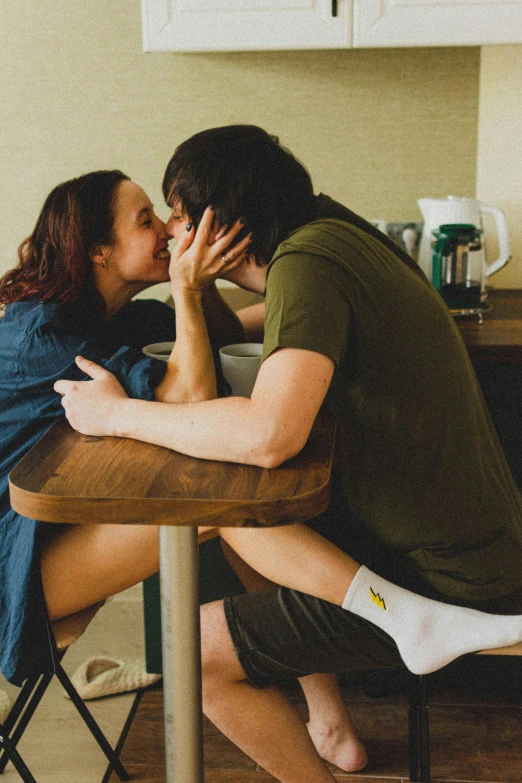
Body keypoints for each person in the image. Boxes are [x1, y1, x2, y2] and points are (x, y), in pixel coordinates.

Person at [54, 127, 522, 781]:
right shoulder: (330, 232)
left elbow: (270, 435)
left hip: (449, 577)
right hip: (465, 540)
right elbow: (249, 347)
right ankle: (329, 723)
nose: (169, 232)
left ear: (223, 222)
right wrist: (200, 289)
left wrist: (116, 414)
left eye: (179, 216)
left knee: (192, 652)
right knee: (249, 519)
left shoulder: (308, 265)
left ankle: (376, 672)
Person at [0, 169, 251, 686]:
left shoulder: (114, 317)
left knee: (233, 493)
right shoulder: (44, 335)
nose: (165, 229)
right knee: (229, 502)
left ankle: (335, 701)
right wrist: (185, 290)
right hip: (12, 559)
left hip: (54, 524)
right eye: (145, 221)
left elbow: (221, 340)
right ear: (99, 251)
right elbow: (193, 398)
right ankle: (379, 624)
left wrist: (202, 288)